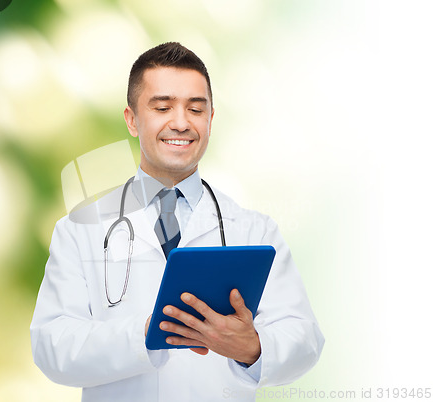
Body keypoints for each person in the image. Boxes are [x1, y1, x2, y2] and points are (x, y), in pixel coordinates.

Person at [30, 42, 324, 402]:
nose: (182, 123)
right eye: (163, 107)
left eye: (195, 109)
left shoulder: (253, 230)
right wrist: (146, 334)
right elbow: (51, 346)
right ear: (132, 120)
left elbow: (305, 337)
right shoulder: (79, 230)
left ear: (211, 121)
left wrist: (253, 347)